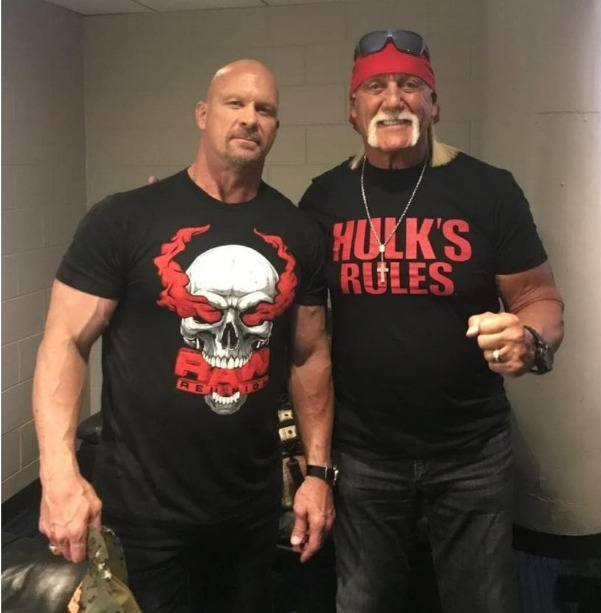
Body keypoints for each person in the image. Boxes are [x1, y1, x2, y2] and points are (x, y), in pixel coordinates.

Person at [32, 59, 335, 613]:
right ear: (202, 113)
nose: (250, 118)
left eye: (265, 109)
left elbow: (309, 356)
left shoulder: (298, 233)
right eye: (234, 103)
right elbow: (64, 342)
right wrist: (58, 473)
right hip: (141, 511)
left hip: (247, 509)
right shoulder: (124, 219)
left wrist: (316, 473)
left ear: (276, 126)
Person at [298, 30, 565, 613]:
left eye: (410, 85)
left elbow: (540, 299)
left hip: (472, 451)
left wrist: (529, 339)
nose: (394, 99)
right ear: (352, 110)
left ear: (434, 105)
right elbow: (307, 338)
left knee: (483, 603)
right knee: (364, 602)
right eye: (375, 86)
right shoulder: (323, 199)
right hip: (364, 453)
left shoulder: (488, 190)